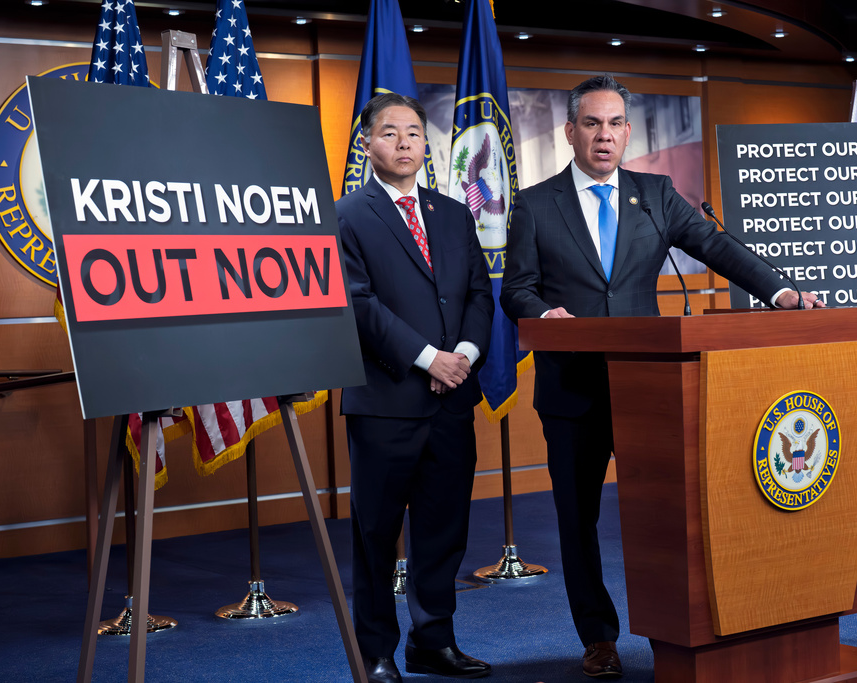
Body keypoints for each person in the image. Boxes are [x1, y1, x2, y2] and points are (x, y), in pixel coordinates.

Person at [500, 74, 823, 679]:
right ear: (570, 131)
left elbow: (716, 246)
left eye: (615, 123)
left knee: (665, 514)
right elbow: (515, 287)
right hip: (572, 391)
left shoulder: (655, 195)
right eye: (591, 123)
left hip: (650, 388)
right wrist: (545, 313)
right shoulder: (536, 204)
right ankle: (597, 637)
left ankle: (677, 631)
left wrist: (779, 291)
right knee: (579, 519)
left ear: (627, 131)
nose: (604, 135)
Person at [336, 93, 494, 683]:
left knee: (443, 528)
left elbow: (480, 292)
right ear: (368, 144)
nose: (404, 143)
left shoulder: (454, 212)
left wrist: (465, 357)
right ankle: (376, 653)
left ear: (428, 145)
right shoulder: (347, 214)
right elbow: (358, 304)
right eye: (389, 133)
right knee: (375, 534)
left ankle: (434, 642)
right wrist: (428, 358)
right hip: (385, 403)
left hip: (453, 399)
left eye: (413, 133)